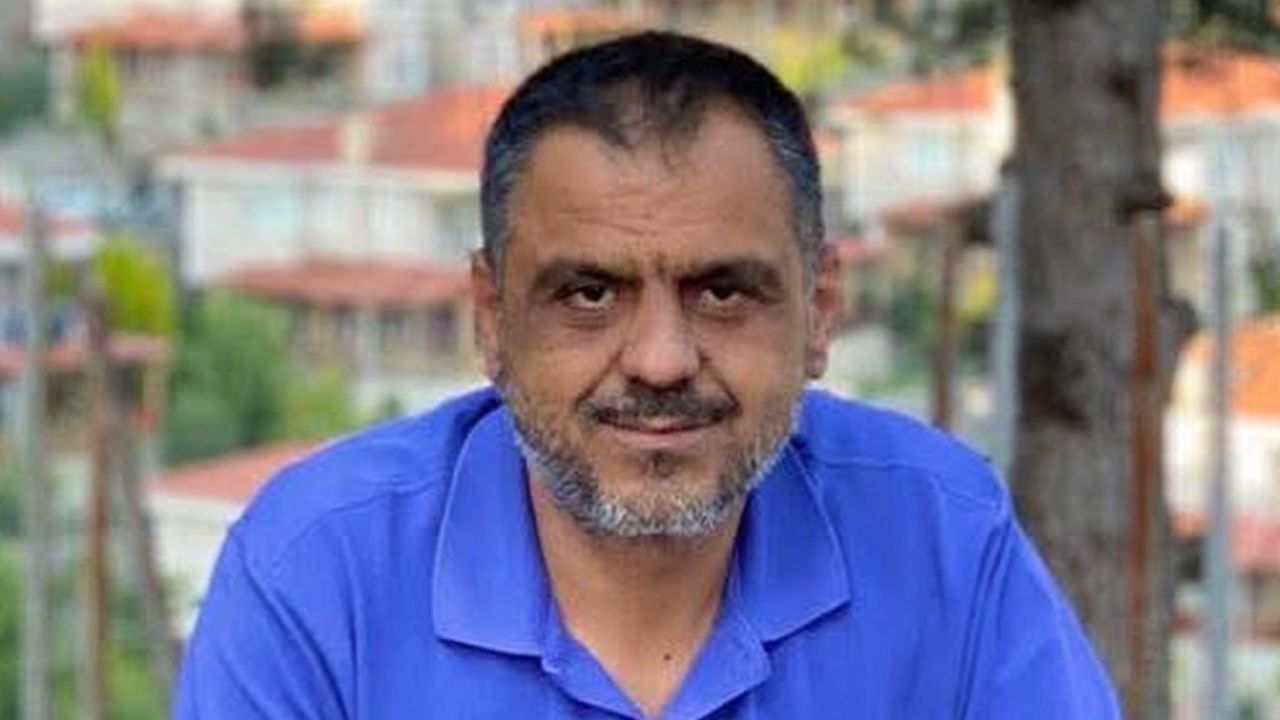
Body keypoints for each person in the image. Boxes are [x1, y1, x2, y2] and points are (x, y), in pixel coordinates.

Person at [174, 32, 1119, 719]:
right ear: (491, 317)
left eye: (723, 292)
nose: (661, 358)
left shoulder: (940, 537)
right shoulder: (319, 574)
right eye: (589, 294)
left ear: (820, 310)